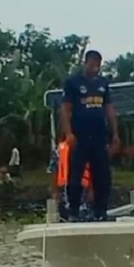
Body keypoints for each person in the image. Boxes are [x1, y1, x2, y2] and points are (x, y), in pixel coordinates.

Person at [61, 50, 118, 222]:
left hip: (99, 135)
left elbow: (109, 108)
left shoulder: (103, 84)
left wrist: (115, 133)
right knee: (76, 174)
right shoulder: (73, 83)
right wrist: (68, 133)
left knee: (102, 174)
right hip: (80, 135)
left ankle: (100, 210)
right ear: (85, 63)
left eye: (97, 66)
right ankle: (74, 210)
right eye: (92, 65)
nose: (94, 69)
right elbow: (65, 109)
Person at [50, 137, 92, 221]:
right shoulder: (58, 151)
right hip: (64, 197)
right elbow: (54, 172)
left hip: (84, 199)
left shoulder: (88, 149)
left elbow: (93, 171)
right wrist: (55, 193)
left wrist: (92, 191)